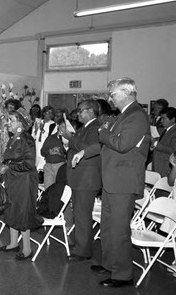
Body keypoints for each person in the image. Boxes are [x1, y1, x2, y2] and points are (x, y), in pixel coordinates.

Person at [74, 77, 150, 288]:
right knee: (107, 227)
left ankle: (123, 274)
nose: (110, 98)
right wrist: (84, 151)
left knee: (118, 229)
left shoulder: (137, 116)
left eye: (113, 94)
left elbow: (122, 144)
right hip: (111, 180)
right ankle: (110, 264)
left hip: (123, 182)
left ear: (127, 92)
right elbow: (105, 145)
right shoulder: (122, 116)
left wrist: (104, 132)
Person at [0, 111, 43, 260]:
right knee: (11, 209)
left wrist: (8, 168)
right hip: (13, 180)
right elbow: (9, 159)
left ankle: (27, 249)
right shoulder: (13, 139)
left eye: (11, 121)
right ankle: (12, 243)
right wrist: (2, 166)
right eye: (9, 120)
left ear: (20, 124)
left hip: (25, 181)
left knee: (22, 212)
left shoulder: (27, 140)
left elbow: (29, 164)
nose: (8, 123)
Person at [60, 99, 102, 262]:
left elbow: (90, 148)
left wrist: (71, 137)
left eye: (81, 110)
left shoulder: (96, 127)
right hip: (79, 177)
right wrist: (68, 141)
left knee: (82, 215)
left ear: (90, 111)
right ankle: (80, 244)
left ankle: (83, 251)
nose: (78, 113)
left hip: (86, 178)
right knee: (79, 214)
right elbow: (75, 146)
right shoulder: (85, 127)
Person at [40, 117, 67, 189]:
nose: (63, 128)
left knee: (59, 189)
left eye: (66, 127)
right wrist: (50, 152)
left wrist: (60, 153)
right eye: (62, 126)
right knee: (48, 188)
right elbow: (42, 152)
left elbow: (68, 154)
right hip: (49, 166)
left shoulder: (67, 139)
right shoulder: (50, 138)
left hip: (60, 165)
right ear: (58, 126)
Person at [152, 107, 176, 177]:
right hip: (156, 165)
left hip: (166, 168)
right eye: (160, 118)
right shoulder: (160, 129)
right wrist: (152, 146)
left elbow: (173, 150)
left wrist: (156, 144)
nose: (161, 121)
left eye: (164, 118)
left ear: (173, 119)